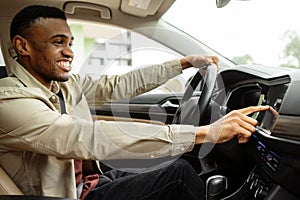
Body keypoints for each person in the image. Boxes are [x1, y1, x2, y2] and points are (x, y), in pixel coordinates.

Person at [0, 5, 269, 200]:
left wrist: (183, 63)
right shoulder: (9, 103)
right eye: (57, 42)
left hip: (89, 183)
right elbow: (85, 136)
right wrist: (205, 132)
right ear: (22, 46)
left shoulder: (63, 85)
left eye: (70, 42)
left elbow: (118, 85)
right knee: (180, 176)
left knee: (169, 165)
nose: (69, 51)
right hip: (68, 195)